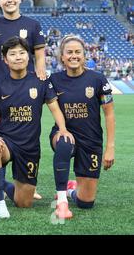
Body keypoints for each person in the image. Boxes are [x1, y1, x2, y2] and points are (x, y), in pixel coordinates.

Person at [0, 37, 74, 219]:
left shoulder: (40, 81)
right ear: (5, 59)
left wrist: (62, 128)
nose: (18, 57)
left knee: (24, 203)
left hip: (29, 148)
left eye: (22, 53)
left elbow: (55, 108)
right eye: (12, 54)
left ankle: (4, 185)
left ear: (28, 56)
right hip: (6, 141)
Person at [0, 0, 46, 200]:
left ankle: (25, 183)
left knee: (28, 132)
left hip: (26, 91)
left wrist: (40, 69)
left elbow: (39, 52)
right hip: (0, 91)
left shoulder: (32, 24)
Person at [49, 35, 115, 219]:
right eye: (69, 52)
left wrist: (110, 148)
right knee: (63, 142)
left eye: (78, 52)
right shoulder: (53, 80)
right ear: (62, 57)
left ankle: (71, 191)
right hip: (64, 133)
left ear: (85, 56)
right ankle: (61, 203)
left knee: (86, 203)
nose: (74, 56)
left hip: (91, 141)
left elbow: (109, 114)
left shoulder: (98, 79)